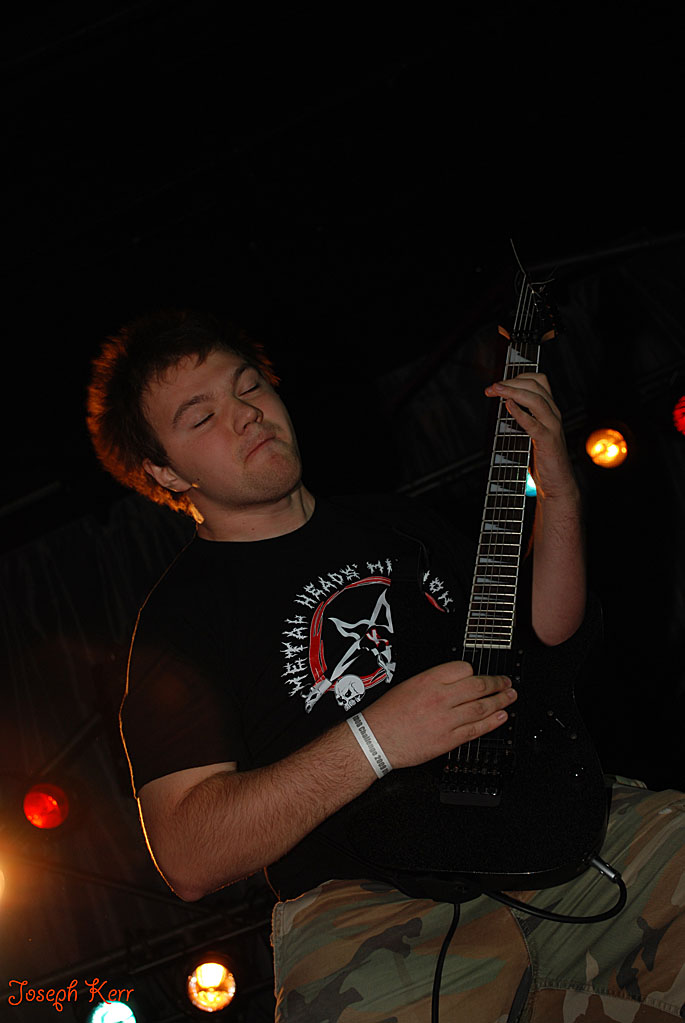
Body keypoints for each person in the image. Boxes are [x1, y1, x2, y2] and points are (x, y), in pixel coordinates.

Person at [87, 309, 685, 1022]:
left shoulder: (399, 522)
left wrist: (558, 490)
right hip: (367, 912)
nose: (246, 414)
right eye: (203, 415)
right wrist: (376, 741)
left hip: (551, 826)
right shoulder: (179, 621)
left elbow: (545, 634)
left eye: (249, 387)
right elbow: (188, 855)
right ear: (164, 471)